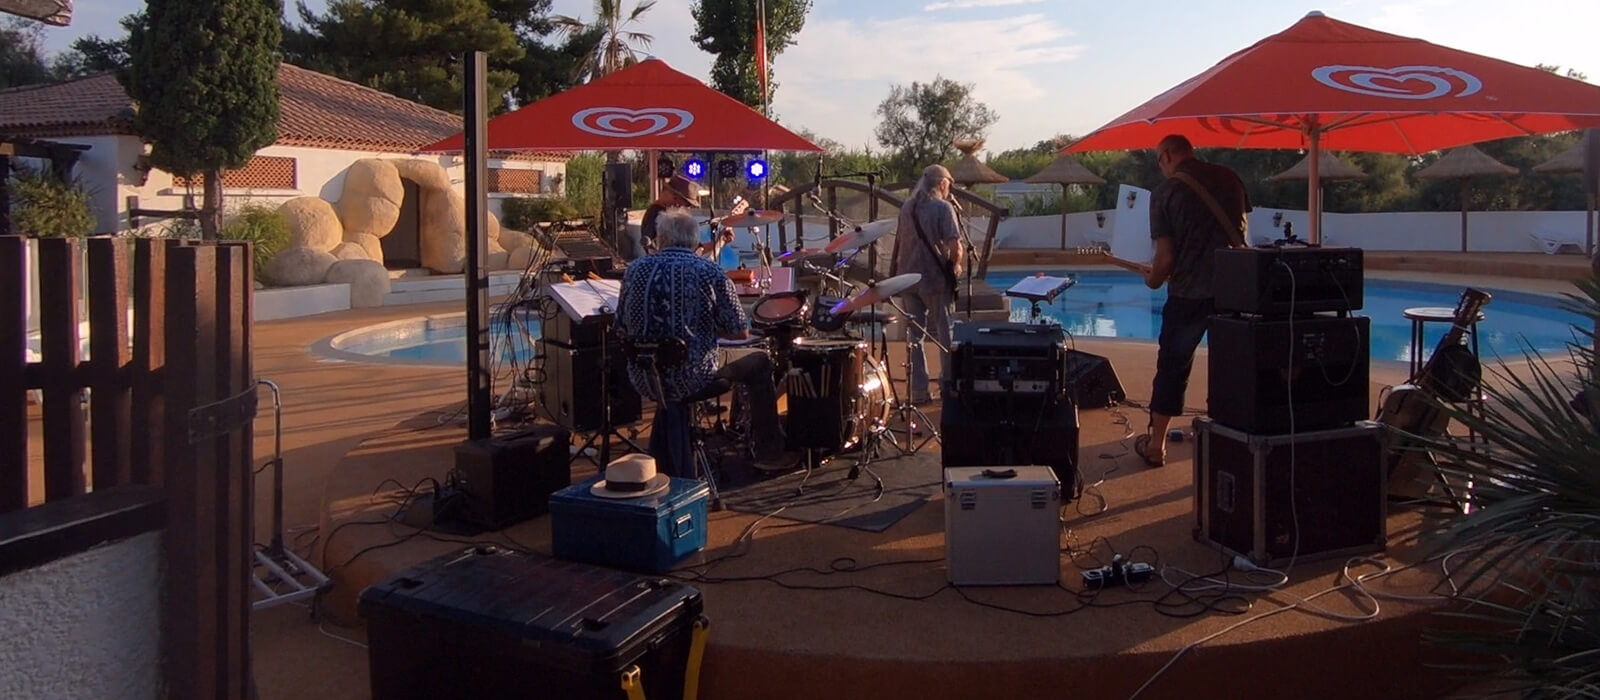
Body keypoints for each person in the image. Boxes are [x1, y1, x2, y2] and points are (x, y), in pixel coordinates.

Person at [617, 208, 790, 471]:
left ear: (660, 239)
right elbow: (739, 331)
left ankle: (671, 453)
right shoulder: (710, 272)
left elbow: (621, 325)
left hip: (645, 377)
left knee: (680, 365)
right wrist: (703, 329)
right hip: (692, 376)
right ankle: (770, 453)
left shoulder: (634, 270)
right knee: (760, 360)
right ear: (695, 241)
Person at [1136, 134, 1252, 467]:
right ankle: (1231, 443)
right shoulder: (1230, 178)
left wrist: (1153, 280)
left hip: (1189, 292)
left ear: (1167, 156)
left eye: (1160, 161)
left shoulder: (1165, 193)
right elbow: (1242, 233)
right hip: (1234, 290)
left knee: (1173, 367)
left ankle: (1156, 446)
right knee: (1233, 370)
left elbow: (1166, 258)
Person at [890, 164, 965, 405]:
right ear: (942, 184)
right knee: (946, 334)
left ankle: (920, 391)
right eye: (948, 185)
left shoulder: (907, 207)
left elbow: (900, 242)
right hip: (934, 279)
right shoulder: (943, 208)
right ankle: (948, 385)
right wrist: (956, 265)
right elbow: (955, 246)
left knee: (915, 336)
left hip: (908, 278)